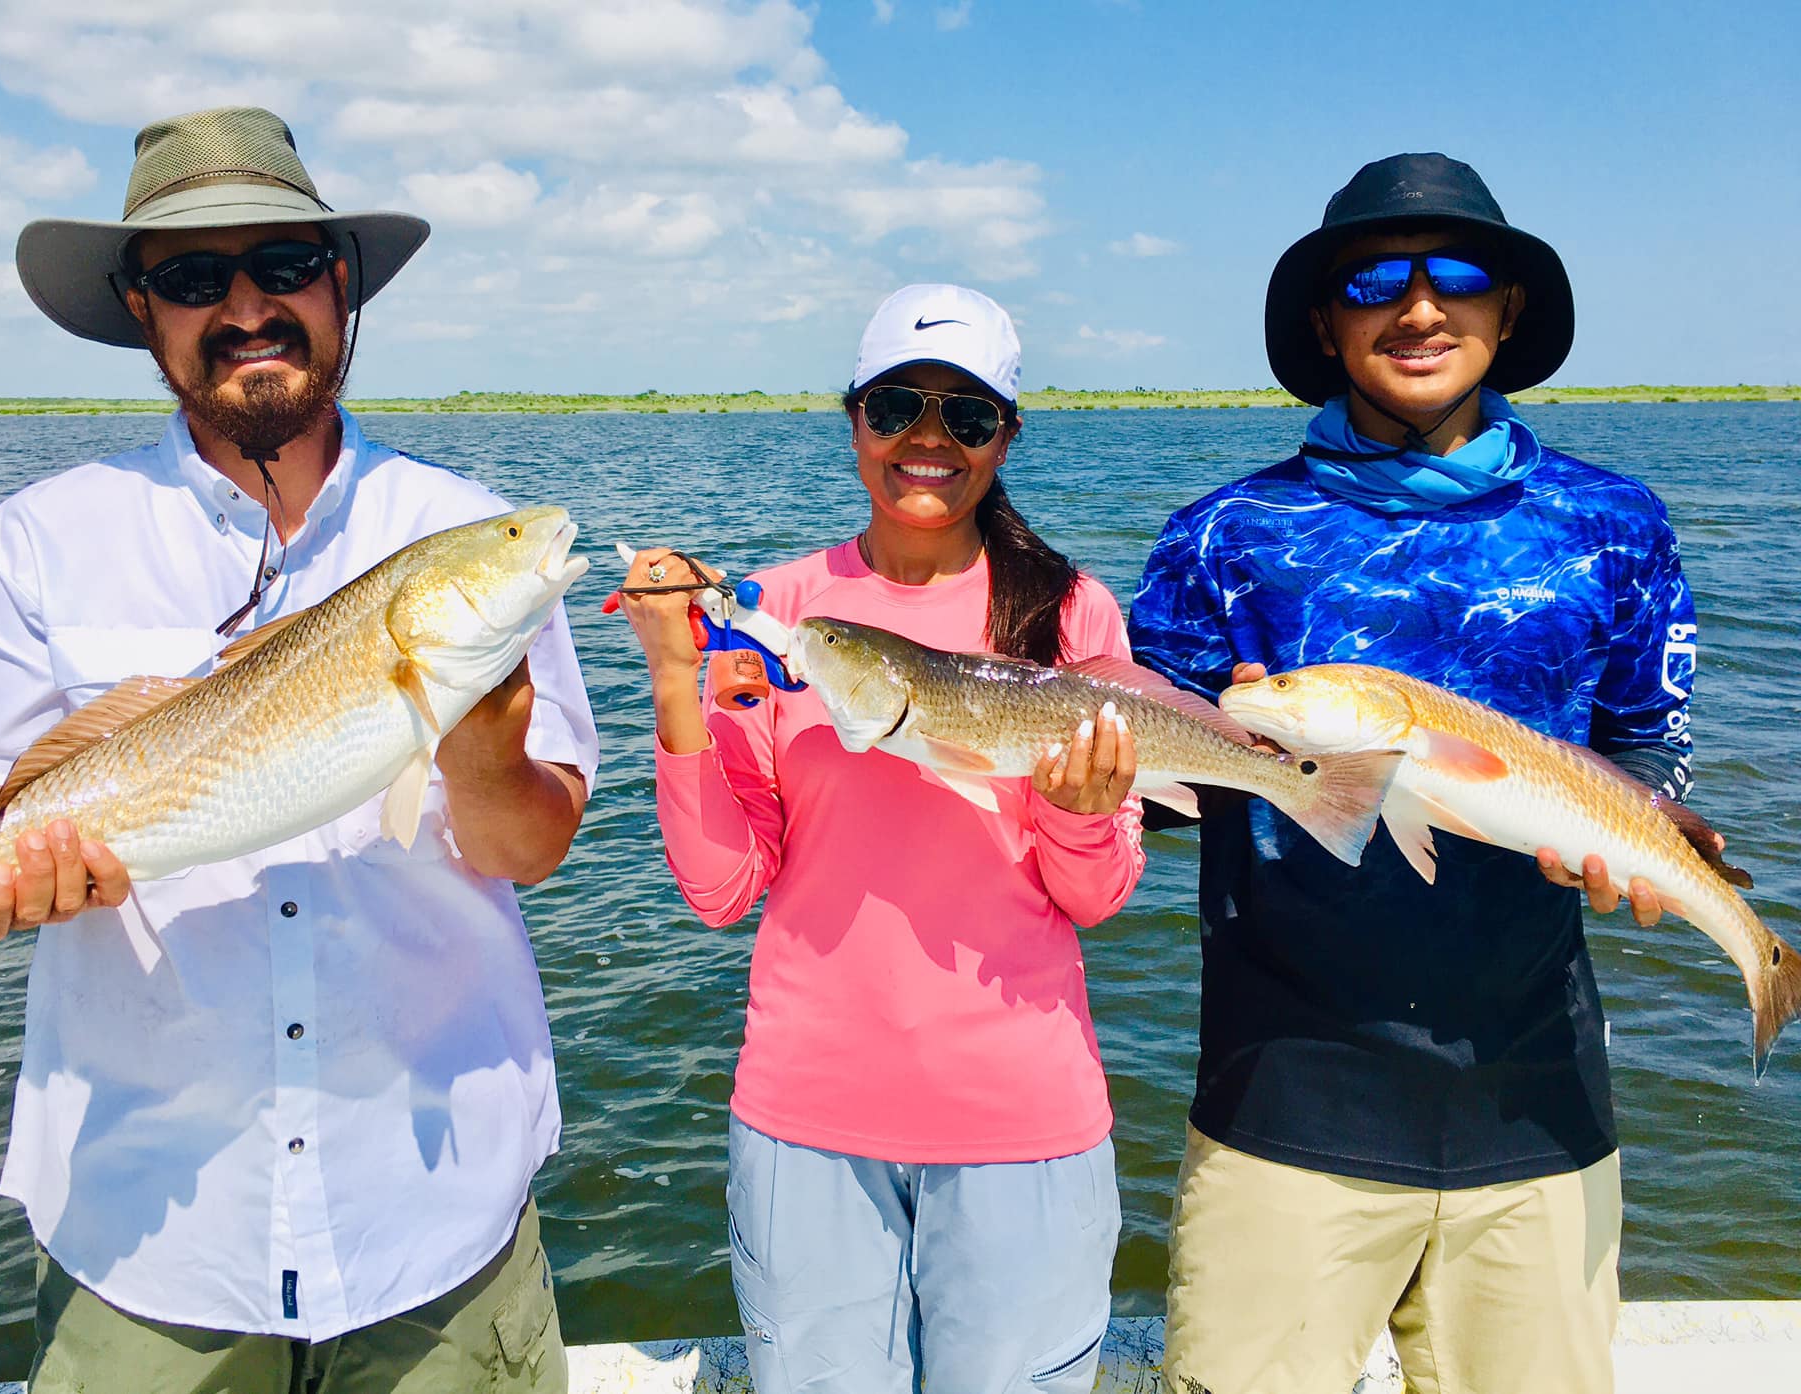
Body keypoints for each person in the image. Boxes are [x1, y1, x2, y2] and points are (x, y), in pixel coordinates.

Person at [0, 106, 597, 1393]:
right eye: (189, 277)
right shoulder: (34, 542)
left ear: (340, 285)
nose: (245, 307)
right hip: (152, 1237)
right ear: (138, 306)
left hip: (433, 1219)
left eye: (282, 267)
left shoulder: (460, 528)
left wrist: (480, 752)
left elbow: (529, 844)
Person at [1128, 152, 1696, 1394]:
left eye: (1460, 277)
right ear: (1326, 327)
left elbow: (1648, 736)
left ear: (1508, 312)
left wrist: (1635, 833)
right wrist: (1091, 784)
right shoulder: (1220, 535)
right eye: (1376, 278)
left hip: (1537, 1093)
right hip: (1285, 1088)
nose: (1419, 307)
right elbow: (1155, 781)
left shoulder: (1615, 523)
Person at [616, 285, 1143, 1394]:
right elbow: (721, 890)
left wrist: (1080, 804)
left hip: (1023, 1116)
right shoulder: (779, 612)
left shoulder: (1070, 614)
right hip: (805, 1119)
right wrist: (674, 682)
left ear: (1006, 436)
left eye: (967, 415)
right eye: (897, 403)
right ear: (852, 417)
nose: (927, 439)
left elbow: (1093, 897)